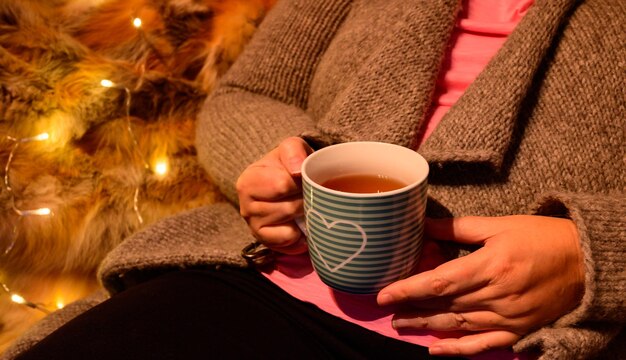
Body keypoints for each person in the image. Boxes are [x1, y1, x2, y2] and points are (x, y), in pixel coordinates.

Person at [6, 0, 624, 359]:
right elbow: (247, 92)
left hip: (514, 340)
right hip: (257, 281)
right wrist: (281, 165)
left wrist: (594, 254)